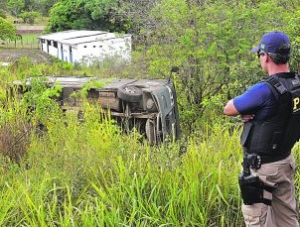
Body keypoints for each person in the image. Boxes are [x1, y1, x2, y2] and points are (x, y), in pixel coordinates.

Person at [223, 31, 299, 227]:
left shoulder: (263, 90)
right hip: (285, 161)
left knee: (256, 220)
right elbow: (282, 114)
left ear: (265, 56)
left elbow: (229, 108)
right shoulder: (296, 84)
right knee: (288, 219)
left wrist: (249, 112)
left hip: (262, 169)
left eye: (259, 55)